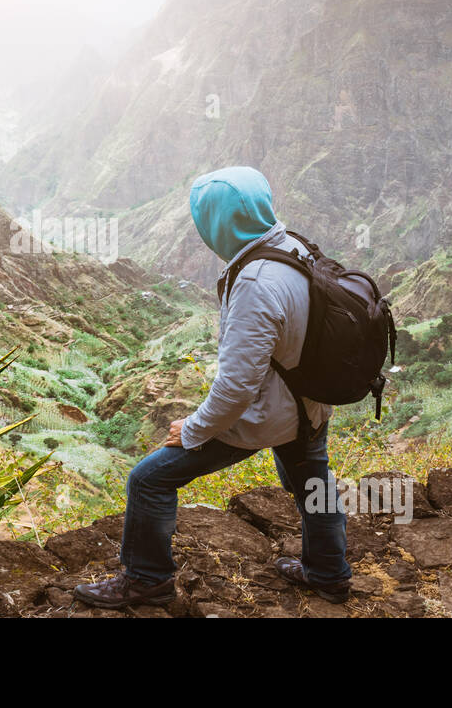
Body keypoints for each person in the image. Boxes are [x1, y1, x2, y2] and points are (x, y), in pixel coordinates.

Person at [73, 166, 352, 609]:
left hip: (267, 414)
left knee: (148, 479)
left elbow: (237, 388)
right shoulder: (293, 245)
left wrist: (194, 428)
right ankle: (329, 574)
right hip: (310, 402)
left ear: (217, 224)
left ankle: (147, 579)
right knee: (313, 483)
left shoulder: (256, 283)